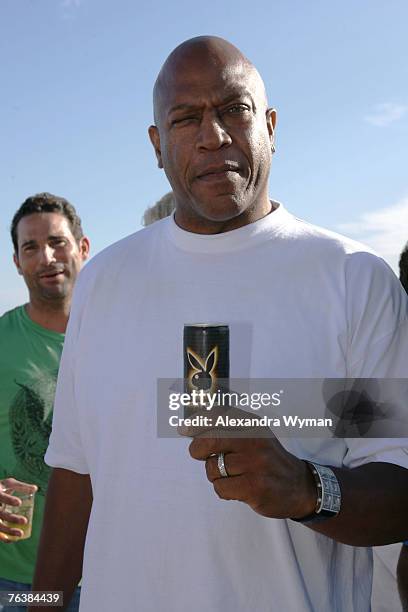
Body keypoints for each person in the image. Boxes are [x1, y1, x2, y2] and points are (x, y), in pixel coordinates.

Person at [31, 37, 408, 612]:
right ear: (157, 145)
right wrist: (43, 605)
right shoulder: (106, 281)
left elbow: (398, 488)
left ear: (272, 126)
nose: (214, 135)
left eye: (235, 109)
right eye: (186, 119)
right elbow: (76, 475)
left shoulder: (353, 280)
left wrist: (309, 489)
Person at [0, 193, 89, 612]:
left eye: (57, 242)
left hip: (114, 569)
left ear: (82, 248)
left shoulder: (124, 337)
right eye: (30, 248)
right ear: (17, 262)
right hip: (18, 582)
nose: (47, 257)